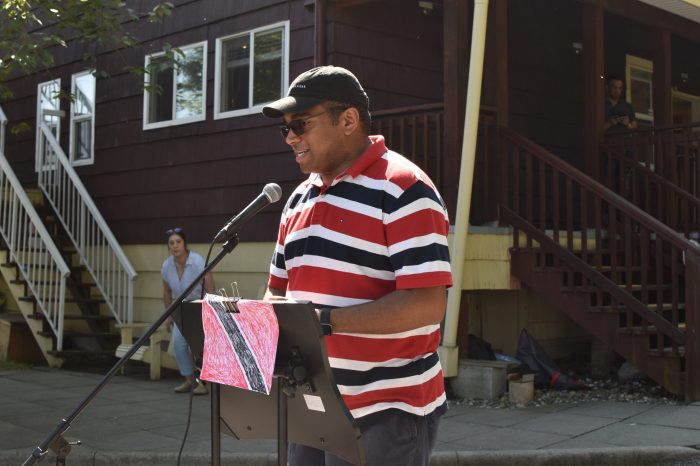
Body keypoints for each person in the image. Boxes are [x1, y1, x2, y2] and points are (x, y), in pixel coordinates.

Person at [262, 66, 453, 466]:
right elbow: (278, 290)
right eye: (285, 129)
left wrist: (323, 321)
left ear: (348, 120)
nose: (291, 137)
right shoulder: (297, 199)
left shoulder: (405, 189)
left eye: (301, 124)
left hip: (386, 411)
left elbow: (426, 306)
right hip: (310, 403)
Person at [162, 227, 215, 395]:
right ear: (168, 247)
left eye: (178, 242)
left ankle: (203, 383)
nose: (175, 246)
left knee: (198, 345)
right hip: (182, 309)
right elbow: (166, 291)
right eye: (171, 243)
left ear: (185, 244)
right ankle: (189, 381)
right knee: (179, 344)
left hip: (201, 307)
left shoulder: (197, 261)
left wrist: (213, 310)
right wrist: (170, 316)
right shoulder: (167, 265)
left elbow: (210, 287)